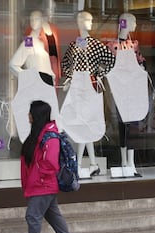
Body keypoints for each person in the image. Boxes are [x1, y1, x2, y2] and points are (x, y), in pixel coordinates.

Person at [11, 100, 75, 233]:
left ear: (36, 115)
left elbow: (51, 163)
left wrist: (39, 176)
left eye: (30, 113)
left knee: (32, 215)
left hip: (43, 184)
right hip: (41, 183)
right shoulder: (40, 134)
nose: (28, 116)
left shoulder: (49, 136)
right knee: (53, 215)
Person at [61, 11, 115, 177]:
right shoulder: (74, 45)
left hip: (90, 89)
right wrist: (70, 78)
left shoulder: (96, 44)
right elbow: (65, 64)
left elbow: (111, 60)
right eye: (86, 20)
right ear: (78, 22)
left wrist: (98, 74)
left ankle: (79, 164)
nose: (90, 23)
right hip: (78, 90)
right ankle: (92, 163)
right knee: (80, 123)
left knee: (88, 123)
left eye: (91, 20)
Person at [9, 10, 60, 143]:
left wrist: (52, 76)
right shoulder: (29, 42)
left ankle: (48, 147)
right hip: (37, 85)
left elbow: (48, 61)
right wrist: (28, 77)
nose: (34, 22)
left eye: (37, 19)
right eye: (32, 19)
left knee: (51, 119)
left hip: (46, 84)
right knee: (38, 119)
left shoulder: (43, 44)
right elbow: (13, 64)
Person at [107, 13, 147, 176]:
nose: (135, 25)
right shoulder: (112, 45)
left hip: (132, 90)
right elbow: (109, 68)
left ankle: (131, 162)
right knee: (122, 126)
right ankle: (124, 162)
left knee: (134, 126)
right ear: (124, 23)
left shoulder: (134, 45)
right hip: (119, 91)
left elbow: (141, 62)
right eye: (133, 22)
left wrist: (142, 69)